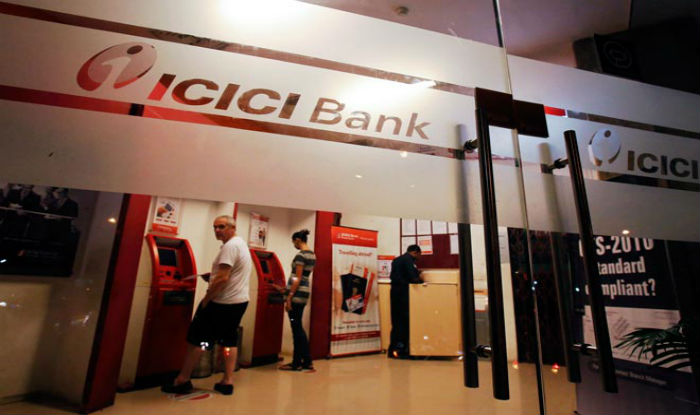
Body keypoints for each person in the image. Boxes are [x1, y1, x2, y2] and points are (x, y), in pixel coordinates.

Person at [162, 215, 252, 396]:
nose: (217, 230)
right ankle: (227, 381)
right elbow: (229, 273)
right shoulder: (241, 244)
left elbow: (223, 279)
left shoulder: (230, 246)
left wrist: (206, 298)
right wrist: (212, 276)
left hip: (221, 302)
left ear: (232, 228)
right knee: (228, 340)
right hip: (238, 301)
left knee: (198, 340)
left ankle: (182, 380)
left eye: (222, 227)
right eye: (215, 227)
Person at [275, 229, 316, 371]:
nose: (294, 245)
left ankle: (297, 363)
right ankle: (306, 361)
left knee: (296, 329)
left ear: (298, 240)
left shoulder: (300, 255)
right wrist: (284, 290)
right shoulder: (312, 255)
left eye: (294, 242)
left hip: (296, 295)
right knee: (298, 327)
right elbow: (304, 277)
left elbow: (297, 278)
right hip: (303, 293)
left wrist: (289, 297)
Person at [388, 244, 423, 359]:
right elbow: (413, 278)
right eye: (419, 255)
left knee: (396, 323)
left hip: (394, 294)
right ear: (415, 252)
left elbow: (396, 275)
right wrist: (420, 278)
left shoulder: (396, 260)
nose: (419, 257)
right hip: (403, 295)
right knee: (404, 323)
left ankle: (392, 350)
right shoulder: (409, 260)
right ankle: (402, 350)